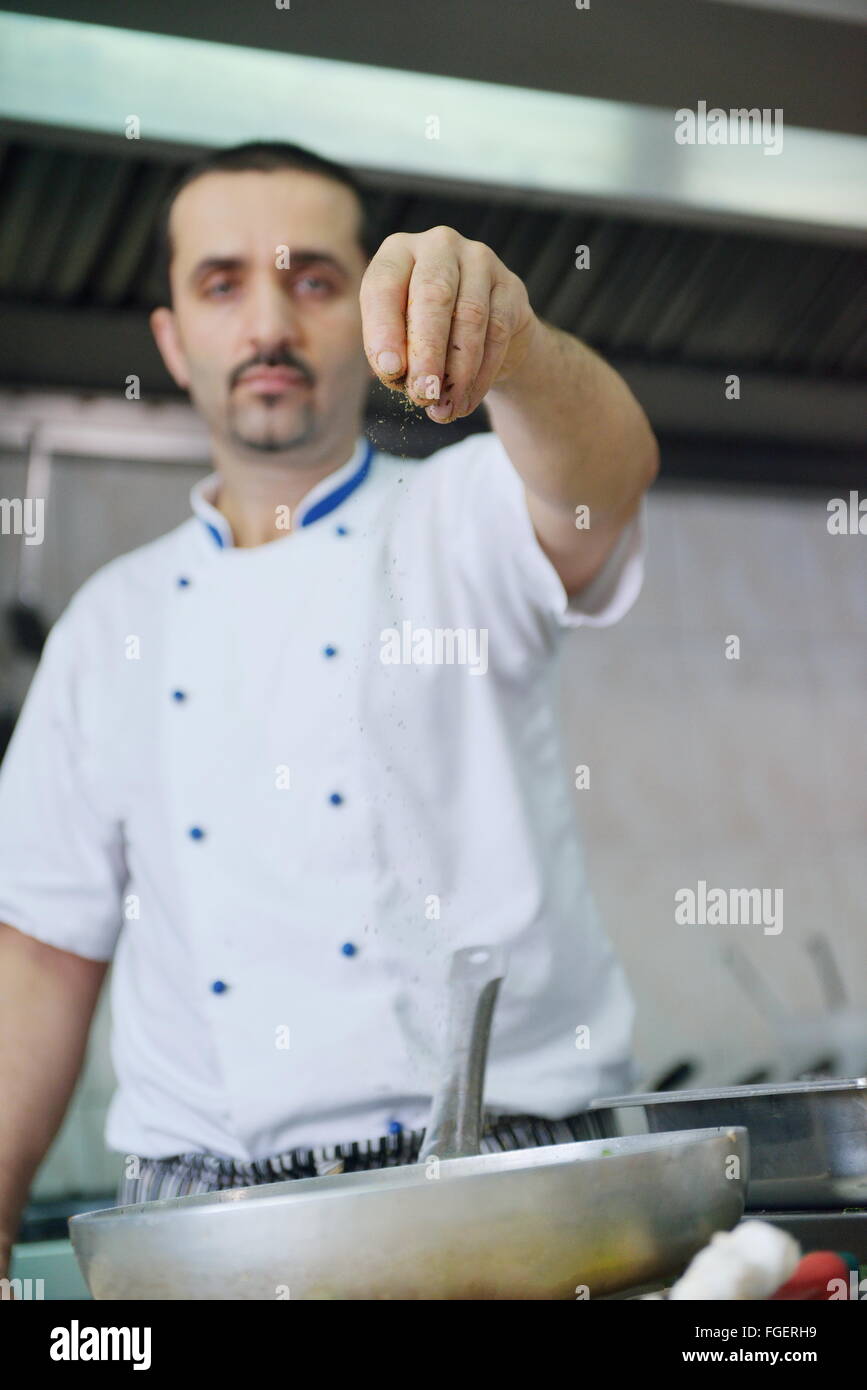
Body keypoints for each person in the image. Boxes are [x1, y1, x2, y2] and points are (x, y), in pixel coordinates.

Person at [0, 140, 658, 1256]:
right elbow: (34, 967)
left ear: (368, 310)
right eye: (222, 283)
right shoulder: (108, 625)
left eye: (312, 280)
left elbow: (608, 473)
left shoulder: (467, 517)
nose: (268, 324)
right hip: (212, 1216)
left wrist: (519, 346)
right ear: (171, 336)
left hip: (516, 1172)